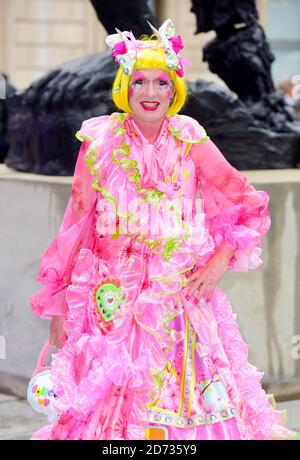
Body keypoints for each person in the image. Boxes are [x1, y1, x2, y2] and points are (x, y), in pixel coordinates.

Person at [29, 19, 299, 441]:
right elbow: (76, 227)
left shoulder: (190, 137)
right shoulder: (98, 142)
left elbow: (247, 205)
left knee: (193, 403)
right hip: (111, 304)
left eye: (161, 82)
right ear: (126, 87)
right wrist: (61, 304)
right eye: (139, 82)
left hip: (180, 300)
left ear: (174, 89)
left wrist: (216, 265)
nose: (151, 93)